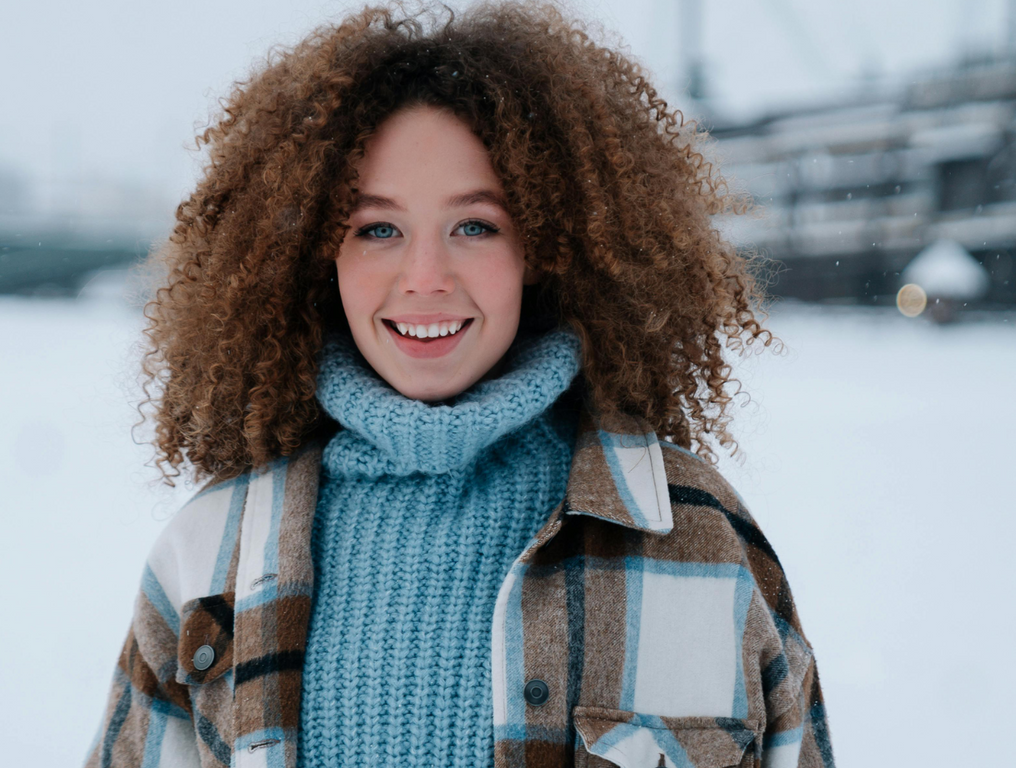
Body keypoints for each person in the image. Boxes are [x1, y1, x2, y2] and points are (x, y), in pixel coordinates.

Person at [86, 4, 833, 768]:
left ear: (545, 244)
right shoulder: (206, 559)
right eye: (377, 228)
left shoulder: (699, 539)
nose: (425, 279)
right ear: (315, 254)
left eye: (475, 225)